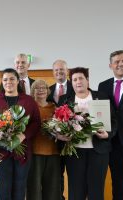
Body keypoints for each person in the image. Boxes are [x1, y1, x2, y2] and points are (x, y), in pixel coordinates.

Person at [58, 67, 116, 200]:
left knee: (96, 191)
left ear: (87, 80)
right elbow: (58, 123)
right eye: (74, 79)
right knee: (76, 191)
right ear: (71, 82)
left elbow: (113, 120)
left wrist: (108, 134)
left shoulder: (101, 96)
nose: (78, 82)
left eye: (81, 78)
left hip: (98, 151)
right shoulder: (65, 100)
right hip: (74, 152)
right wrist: (60, 135)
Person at [0, 68, 41, 200]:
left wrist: (23, 135)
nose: (8, 82)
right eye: (5, 79)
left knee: (20, 186)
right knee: (4, 186)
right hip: (0, 150)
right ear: (2, 82)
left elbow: (36, 123)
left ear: (18, 81)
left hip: (22, 151)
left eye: (12, 79)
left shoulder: (28, 101)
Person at [98, 50, 123, 200]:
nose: (121, 64)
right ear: (110, 65)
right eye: (117, 62)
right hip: (113, 142)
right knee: (118, 181)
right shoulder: (103, 86)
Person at [27, 79, 60, 200]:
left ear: (48, 91)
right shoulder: (29, 107)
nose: (40, 90)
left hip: (53, 153)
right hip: (35, 153)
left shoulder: (55, 108)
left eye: (43, 88)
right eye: (37, 88)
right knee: (33, 189)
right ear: (32, 91)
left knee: (52, 189)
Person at [47, 59, 74, 200]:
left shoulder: (75, 87)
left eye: (62, 69)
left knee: (75, 177)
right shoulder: (48, 90)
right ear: (53, 73)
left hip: (73, 143)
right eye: (56, 70)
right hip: (53, 143)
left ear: (67, 71)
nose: (59, 72)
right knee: (56, 177)